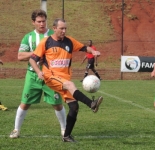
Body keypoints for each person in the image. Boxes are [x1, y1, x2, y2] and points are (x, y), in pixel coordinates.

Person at [29, 18, 103, 142]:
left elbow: (85, 48)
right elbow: (32, 59)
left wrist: (94, 51)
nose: (64, 31)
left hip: (64, 79)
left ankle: (67, 136)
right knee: (70, 84)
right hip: (50, 77)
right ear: (54, 28)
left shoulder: (70, 41)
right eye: (61, 28)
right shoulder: (46, 42)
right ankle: (91, 104)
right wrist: (39, 71)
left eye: (65, 28)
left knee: (74, 107)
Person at [10, 9, 66, 138]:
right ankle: (16, 130)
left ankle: (64, 130)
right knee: (25, 102)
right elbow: (20, 56)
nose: (42, 24)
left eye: (44, 21)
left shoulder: (54, 34)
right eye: (39, 21)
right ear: (33, 22)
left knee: (57, 104)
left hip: (51, 76)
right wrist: (36, 53)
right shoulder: (28, 37)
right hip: (32, 75)